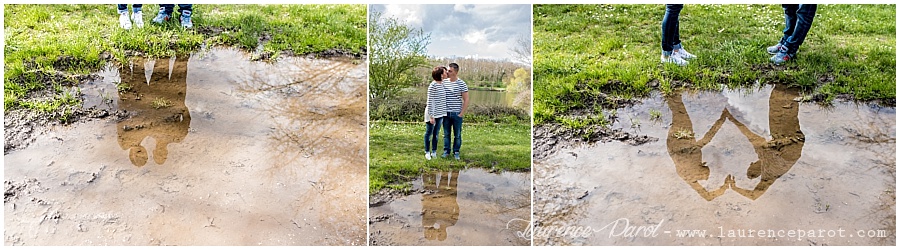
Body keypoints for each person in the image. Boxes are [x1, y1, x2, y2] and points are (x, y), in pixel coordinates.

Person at [442, 63, 469, 160]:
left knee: (457, 135)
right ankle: (446, 151)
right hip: (445, 113)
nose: (447, 73)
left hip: (457, 113)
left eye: (450, 71)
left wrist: (461, 113)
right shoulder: (444, 82)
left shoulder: (462, 84)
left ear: (456, 72)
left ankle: (456, 152)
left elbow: (466, 99)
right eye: (447, 70)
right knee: (446, 134)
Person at [424, 66, 449, 160]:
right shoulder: (433, 85)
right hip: (432, 114)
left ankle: (434, 151)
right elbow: (430, 101)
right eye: (445, 72)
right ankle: (427, 152)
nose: (447, 73)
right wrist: (431, 116)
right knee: (429, 133)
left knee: (436, 134)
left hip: (440, 114)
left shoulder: (442, 84)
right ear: (441, 75)